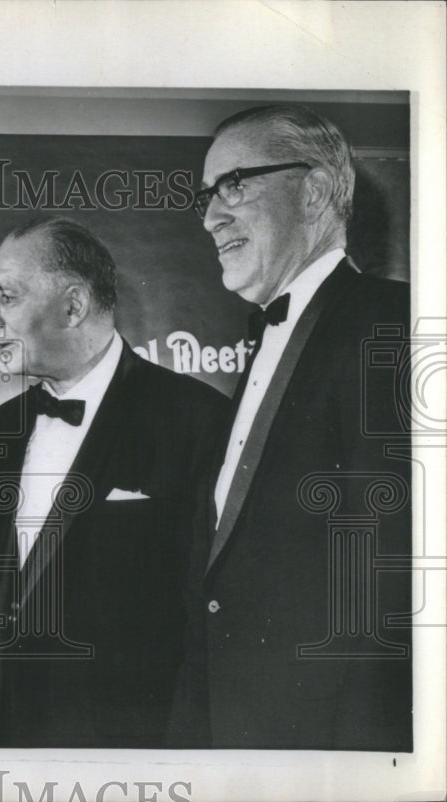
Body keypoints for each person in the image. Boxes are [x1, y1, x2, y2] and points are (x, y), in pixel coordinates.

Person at [0, 218, 227, 747]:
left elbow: (210, 623)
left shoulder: (197, 420)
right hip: (8, 747)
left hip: (134, 756)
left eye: (5, 296)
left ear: (73, 305)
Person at [169, 105, 412, 750]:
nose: (211, 216)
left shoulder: (390, 323)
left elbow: (387, 578)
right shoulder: (268, 345)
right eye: (205, 197)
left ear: (316, 191)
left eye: (235, 185)